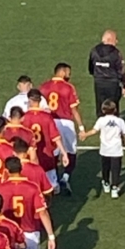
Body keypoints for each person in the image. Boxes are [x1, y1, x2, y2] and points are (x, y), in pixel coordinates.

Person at [40, 63, 85, 193]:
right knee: (71, 151)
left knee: (52, 152)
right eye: (68, 72)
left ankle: (52, 180)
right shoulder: (68, 87)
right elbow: (74, 110)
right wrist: (81, 127)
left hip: (50, 122)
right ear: (63, 72)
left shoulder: (44, 86)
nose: (69, 75)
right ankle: (65, 177)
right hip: (65, 123)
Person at [22, 88, 69, 192]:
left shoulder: (24, 118)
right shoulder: (47, 117)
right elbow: (56, 137)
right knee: (51, 189)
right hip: (47, 156)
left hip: (30, 157)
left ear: (30, 100)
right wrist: (64, 153)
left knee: (31, 188)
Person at [80, 100, 125, 199]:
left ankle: (106, 183)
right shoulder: (120, 121)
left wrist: (85, 134)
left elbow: (94, 131)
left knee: (105, 167)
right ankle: (114, 188)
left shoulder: (101, 120)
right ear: (115, 110)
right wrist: (124, 141)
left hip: (105, 149)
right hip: (116, 149)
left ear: (103, 110)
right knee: (116, 169)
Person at [88, 30, 125, 116]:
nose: (117, 42)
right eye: (115, 39)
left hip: (99, 82)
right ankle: (114, 125)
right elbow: (122, 71)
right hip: (112, 83)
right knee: (113, 106)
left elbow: (91, 68)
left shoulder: (94, 51)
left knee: (100, 105)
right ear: (110, 39)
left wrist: (96, 74)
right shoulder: (115, 53)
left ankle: (101, 125)